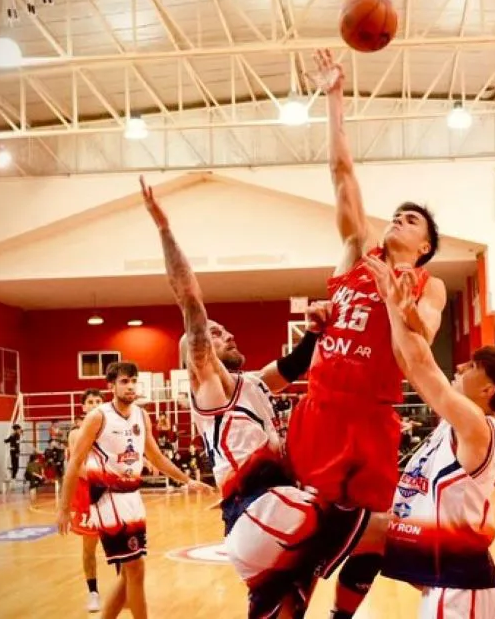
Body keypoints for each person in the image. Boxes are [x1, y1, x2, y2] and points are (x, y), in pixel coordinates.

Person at [141, 176, 381, 618]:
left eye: (223, 330)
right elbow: (190, 300)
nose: (225, 333)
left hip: (261, 529)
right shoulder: (209, 384)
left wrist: (317, 327)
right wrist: (164, 229)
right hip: (267, 511)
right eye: (215, 334)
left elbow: (294, 365)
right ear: (198, 354)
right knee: (379, 531)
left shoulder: (251, 382)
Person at [285, 48, 449, 618]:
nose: (399, 219)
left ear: (425, 244)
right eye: (397, 214)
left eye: (412, 219)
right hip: (323, 407)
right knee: (303, 527)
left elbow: (419, 355)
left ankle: (341, 616)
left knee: (377, 530)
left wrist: (397, 306)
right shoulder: (357, 252)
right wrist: (334, 96)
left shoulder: (428, 285)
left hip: (374, 413)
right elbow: (342, 173)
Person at [364, 256, 495, 618]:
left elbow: (421, 366)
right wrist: (395, 310)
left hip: (459, 585)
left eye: (471, 366)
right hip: (442, 578)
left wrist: (393, 302)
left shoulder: (477, 425)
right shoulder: (455, 423)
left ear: (487, 389)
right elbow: (408, 363)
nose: (459, 367)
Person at [56, 361, 207, 619]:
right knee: (136, 569)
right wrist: (63, 509)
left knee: (128, 575)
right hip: (107, 499)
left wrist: (186, 480)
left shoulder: (141, 415)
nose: (130, 386)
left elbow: (157, 457)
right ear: (111, 386)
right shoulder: (98, 417)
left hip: (132, 498)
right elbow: (74, 464)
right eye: (124, 381)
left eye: (133, 381)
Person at [66, 388, 105, 613]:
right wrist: (100, 480)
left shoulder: (112, 429)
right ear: (83, 407)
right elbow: (76, 467)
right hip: (88, 491)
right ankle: (93, 592)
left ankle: (125, 589)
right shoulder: (75, 433)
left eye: (98, 401)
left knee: (120, 544)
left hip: (111, 491)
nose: (93, 404)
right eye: (90, 401)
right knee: (89, 547)